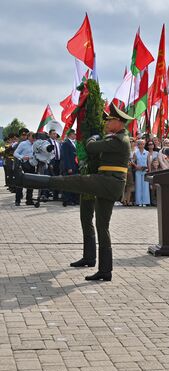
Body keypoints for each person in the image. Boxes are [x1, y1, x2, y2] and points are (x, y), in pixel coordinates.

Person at [15, 103, 133, 281]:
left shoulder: (117, 139)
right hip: (108, 183)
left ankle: (29, 180)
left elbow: (91, 147)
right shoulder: (117, 138)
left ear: (118, 122)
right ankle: (105, 270)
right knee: (102, 226)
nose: (107, 124)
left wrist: (91, 139)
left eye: (110, 121)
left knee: (76, 181)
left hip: (108, 182)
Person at [13, 128, 35, 206]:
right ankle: (17, 200)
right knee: (21, 183)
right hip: (24, 164)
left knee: (31, 183)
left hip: (32, 165)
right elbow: (15, 153)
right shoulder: (23, 144)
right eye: (33, 136)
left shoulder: (36, 145)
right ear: (28, 137)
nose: (34, 138)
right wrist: (22, 157)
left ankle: (29, 200)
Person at [60, 129, 79, 206]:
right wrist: (68, 167)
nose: (75, 135)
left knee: (73, 183)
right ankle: (67, 200)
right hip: (70, 167)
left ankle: (73, 199)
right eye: (74, 134)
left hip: (75, 166)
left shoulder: (74, 143)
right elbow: (65, 157)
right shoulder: (66, 143)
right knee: (68, 183)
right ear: (71, 134)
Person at [133, 139, 150, 207]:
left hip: (145, 171)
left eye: (143, 144)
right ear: (138, 145)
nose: (141, 145)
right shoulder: (135, 153)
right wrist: (136, 166)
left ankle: (145, 202)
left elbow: (148, 162)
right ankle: (139, 202)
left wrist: (149, 171)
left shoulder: (147, 152)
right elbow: (133, 161)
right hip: (138, 171)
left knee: (145, 186)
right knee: (138, 186)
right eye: (140, 144)